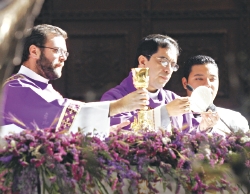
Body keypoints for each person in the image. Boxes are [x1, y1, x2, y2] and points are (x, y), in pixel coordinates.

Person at [0, 24, 150, 138]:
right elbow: (59, 113)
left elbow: (59, 133)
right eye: (57, 50)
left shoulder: (47, 90)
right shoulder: (14, 88)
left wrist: (103, 133)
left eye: (65, 52)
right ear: (34, 51)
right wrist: (118, 106)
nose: (64, 57)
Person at [101, 34, 202, 131]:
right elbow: (116, 135)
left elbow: (190, 135)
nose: (168, 70)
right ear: (142, 61)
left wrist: (205, 126)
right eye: (163, 62)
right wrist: (164, 112)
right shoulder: (115, 99)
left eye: (172, 65)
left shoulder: (173, 100)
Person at [181, 55, 249, 135]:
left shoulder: (235, 118)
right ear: (185, 83)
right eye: (199, 79)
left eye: (212, 79)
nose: (207, 84)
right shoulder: (174, 118)